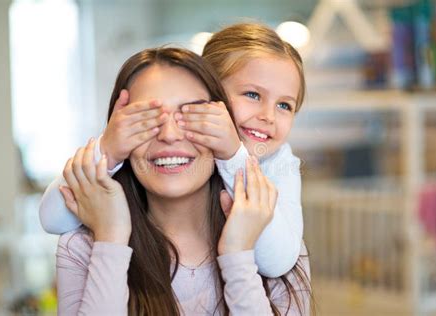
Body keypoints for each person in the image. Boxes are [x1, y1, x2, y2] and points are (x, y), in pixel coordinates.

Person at [56, 47, 311, 315]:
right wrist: (111, 238)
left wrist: (238, 256)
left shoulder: (277, 244)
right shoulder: (83, 246)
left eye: (191, 115)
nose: (169, 134)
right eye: (148, 120)